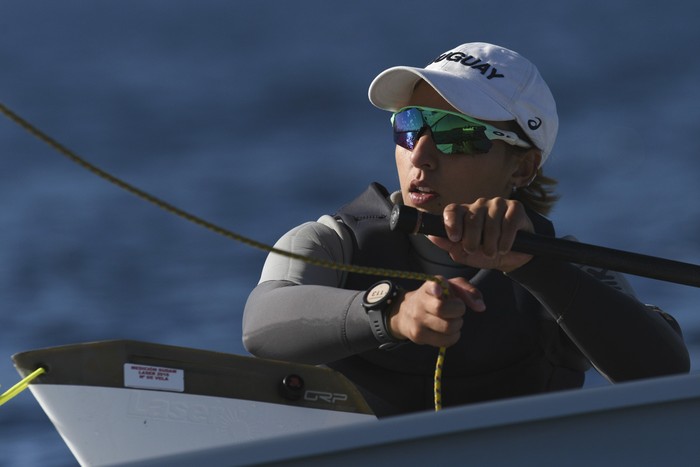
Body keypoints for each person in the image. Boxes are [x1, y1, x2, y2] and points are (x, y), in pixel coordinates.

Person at [242, 42, 690, 417]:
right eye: (409, 126)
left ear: (523, 166)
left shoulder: (565, 271)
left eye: (456, 134)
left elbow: (664, 374)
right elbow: (261, 327)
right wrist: (393, 314)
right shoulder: (330, 242)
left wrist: (539, 271)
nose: (419, 156)